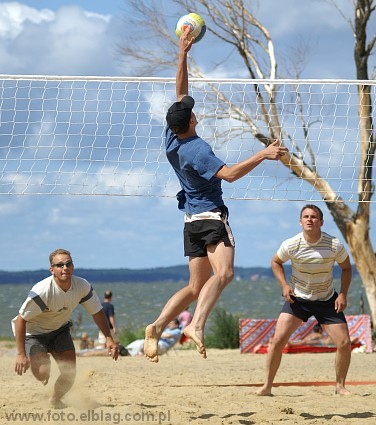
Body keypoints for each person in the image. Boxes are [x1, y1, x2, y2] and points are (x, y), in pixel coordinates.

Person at [143, 27, 288, 363]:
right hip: (210, 217)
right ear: (191, 121)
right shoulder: (198, 149)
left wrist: (182, 54)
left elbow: (180, 91)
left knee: (196, 287)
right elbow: (231, 175)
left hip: (191, 220)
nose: (194, 110)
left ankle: (157, 325)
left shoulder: (172, 137)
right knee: (224, 275)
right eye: (192, 111)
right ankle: (196, 325)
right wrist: (263, 154)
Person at [257, 204, 353, 396]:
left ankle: (340, 386)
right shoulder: (292, 244)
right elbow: (276, 262)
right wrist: (284, 285)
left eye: (314, 217)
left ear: (321, 222)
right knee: (277, 341)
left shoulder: (333, 244)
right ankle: (267, 387)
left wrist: (343, 294)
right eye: (306, 217)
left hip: (326, 299)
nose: (310, 219)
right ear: (300, 222)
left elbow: (347, 268)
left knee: (344, 343)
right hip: (298, 300)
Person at [12, 249, 118, 409]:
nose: (65, 268)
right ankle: (41, 362)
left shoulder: (81, 286)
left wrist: (109, 338)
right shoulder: (42, 291)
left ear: (73, 266)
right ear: (52, 269)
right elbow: (21, 320)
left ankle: (55, 399)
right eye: (60, 265)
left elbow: (97, 312)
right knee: (42, 373)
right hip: (34, 334)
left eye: (68, 263)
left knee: (69, 373)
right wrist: (21, 354)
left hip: (59, 330)